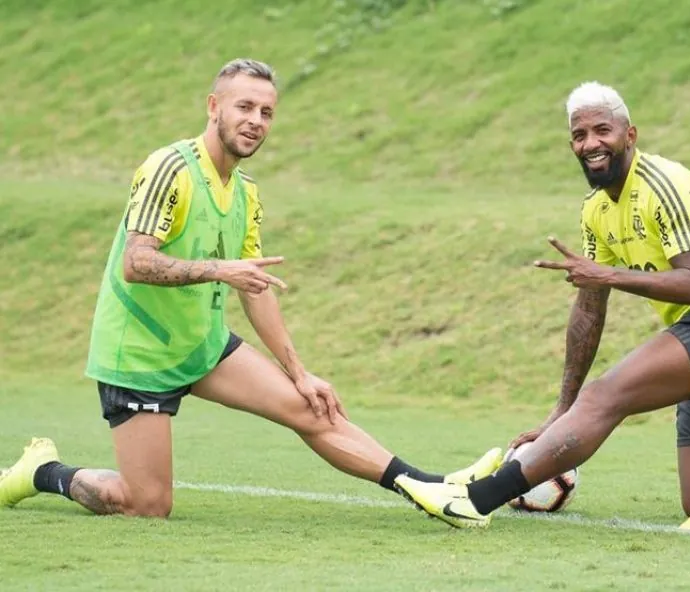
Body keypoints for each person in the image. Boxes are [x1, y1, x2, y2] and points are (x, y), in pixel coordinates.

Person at [0, 58, 501, 517]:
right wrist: (220, 269)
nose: (255, 120)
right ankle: (44, 472)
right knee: (145, 505)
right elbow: (137, 262)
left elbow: (255, 286)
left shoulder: (246, 192)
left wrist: (299, 372)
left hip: (202, 345)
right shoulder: (169, 168)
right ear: (213, 107)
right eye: (244, 107)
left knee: (309, 405)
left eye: (266, 112)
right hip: (139, 357)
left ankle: (432, 487)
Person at [394, 81, 690, 528]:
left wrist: (606, 276)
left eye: (602, 130)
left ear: (630, 134)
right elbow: (589, 311)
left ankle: (475, 501)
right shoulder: (595, 211)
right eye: (579, 135)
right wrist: (562, 408)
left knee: (607, 395)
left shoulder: (662, 183)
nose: (591, 143)